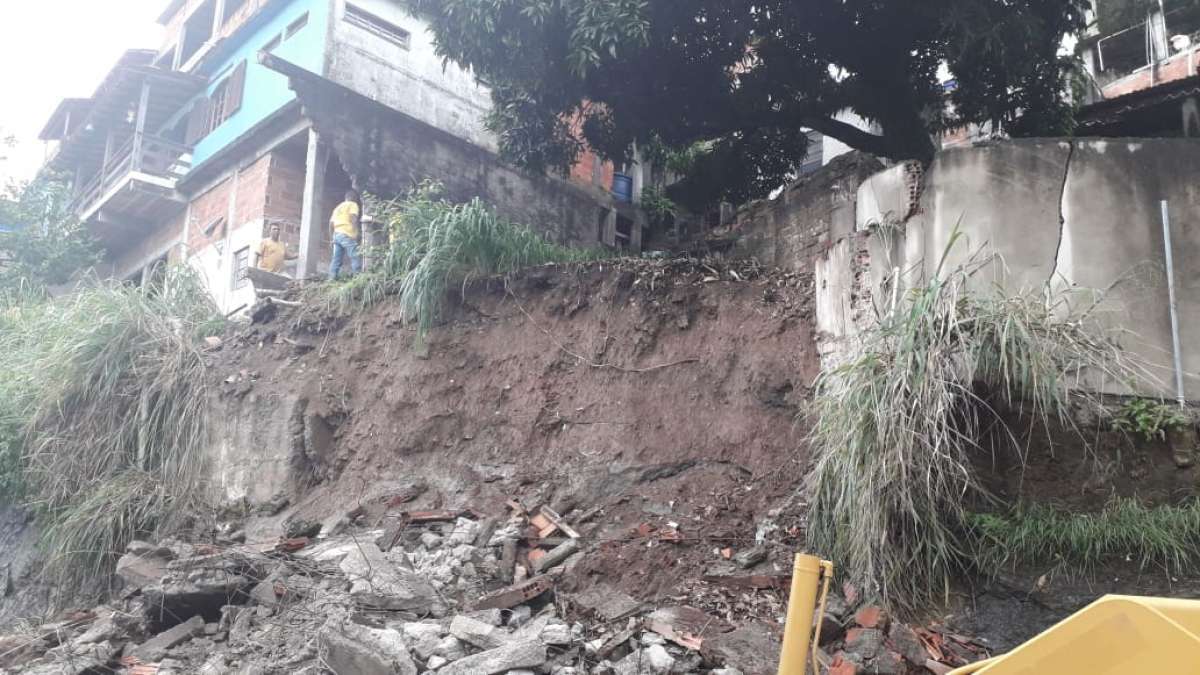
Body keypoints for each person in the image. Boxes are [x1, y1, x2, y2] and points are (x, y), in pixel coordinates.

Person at [329, 189, 362, 280]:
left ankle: (332, 278)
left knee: (336, 259)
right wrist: (357, 232)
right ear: (354, 198)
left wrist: (332, 238)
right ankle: (358, 277)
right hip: (347, 234)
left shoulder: (337, 208)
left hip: (337, 234)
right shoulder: (353, 205)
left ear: (345, 197)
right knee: (354, 255)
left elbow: (330, 224)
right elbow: (353, 218)